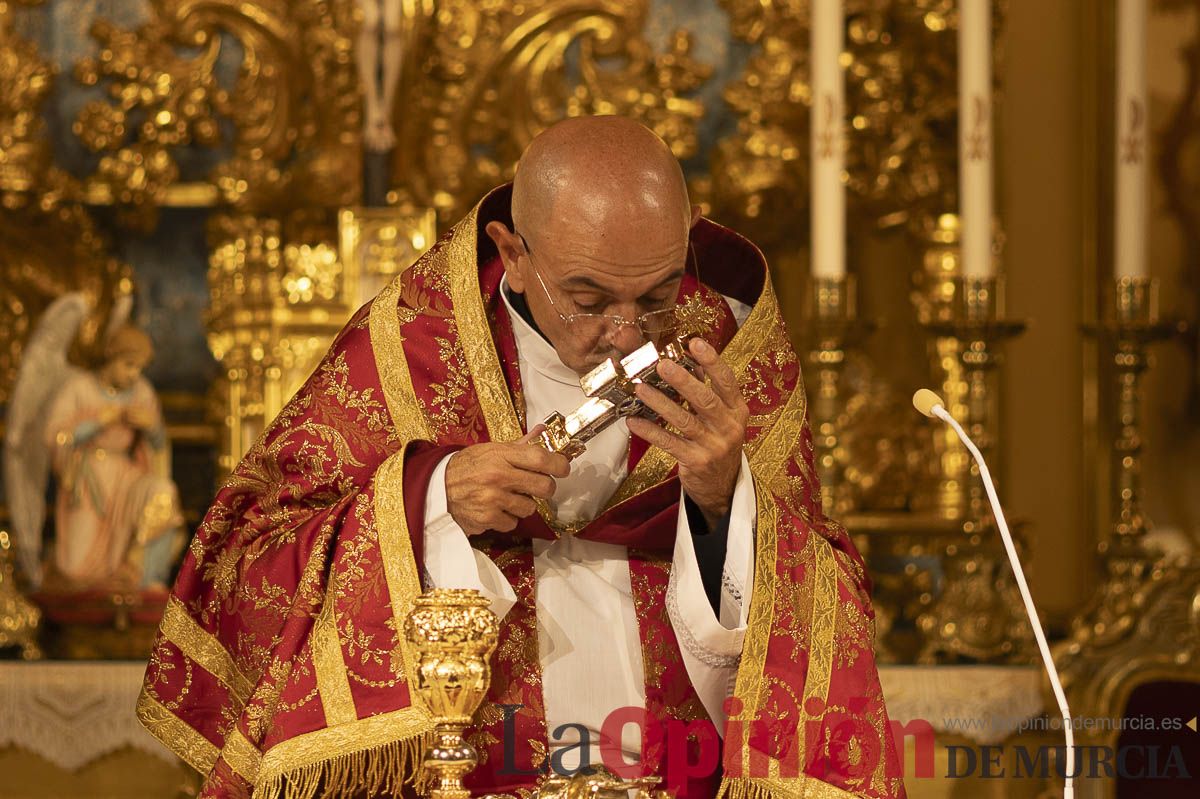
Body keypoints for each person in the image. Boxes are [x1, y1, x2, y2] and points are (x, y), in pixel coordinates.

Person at [138, 116, 905, 799]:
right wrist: (429, 499)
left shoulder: (731, 348)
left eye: (656, 295)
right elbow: (246, 558)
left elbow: (823, 588)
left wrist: (721, 503)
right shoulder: (409, 349)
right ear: (512, 252)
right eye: (589, 299)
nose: (627, 334)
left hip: (676, 767)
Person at [44, 326, 184, 590]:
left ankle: (144, 579)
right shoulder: (79, 388)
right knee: (75, 568)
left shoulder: (142, 392)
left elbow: (158, 444)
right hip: (88, 480)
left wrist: (152, 426)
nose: (134, 374)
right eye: (128, 365)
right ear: (111, 358)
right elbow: (56, 436)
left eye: (139, 368)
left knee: (162, 493)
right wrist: (97, 422)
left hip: (127, 477)